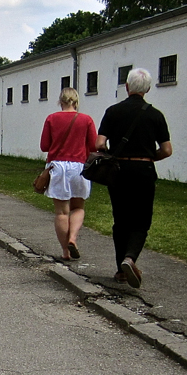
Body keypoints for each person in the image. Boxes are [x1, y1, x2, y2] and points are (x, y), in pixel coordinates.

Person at [95, 67, 172, 289]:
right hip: (144, 171)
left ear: (127, 87)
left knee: (120, 220)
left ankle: (121, 270)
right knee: (141, 220)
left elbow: (99, 144)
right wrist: (148, 158)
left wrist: (113, 155)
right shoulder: (156, 115)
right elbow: (166, 150)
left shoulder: (112, 111)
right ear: (147, 89)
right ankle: (130, 258)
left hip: (118, 170)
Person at [39, 87, 98, 262]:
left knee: (61, 213)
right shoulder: (86, 120)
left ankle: (65, 251)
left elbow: (44, 146)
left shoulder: (51, 118)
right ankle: (73, 238)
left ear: (61, 101)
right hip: (79, 167)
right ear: (76, 101)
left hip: (58, 167)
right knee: (78, 207)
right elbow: (94, 146)